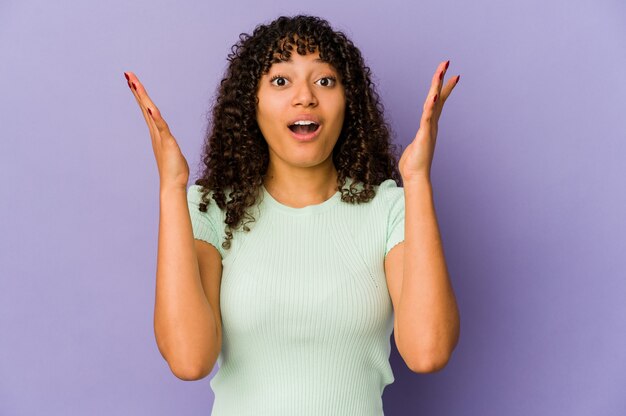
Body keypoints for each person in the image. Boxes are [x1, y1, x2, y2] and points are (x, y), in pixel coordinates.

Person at [125, 14, 460, 416]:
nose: (305, 97)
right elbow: (189, 360)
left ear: (348, 100)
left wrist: (418, 179)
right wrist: (171, 188)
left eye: (324, 80)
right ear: (252, 102)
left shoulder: (390, 209)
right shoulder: (211, 209)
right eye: (281, 81)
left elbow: (429, 352)